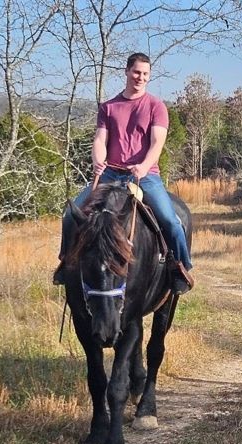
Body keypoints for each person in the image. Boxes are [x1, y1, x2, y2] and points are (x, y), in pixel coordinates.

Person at [53, 52, 193, 295]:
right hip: (110, 175)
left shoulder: (156, 107)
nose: (141, 77)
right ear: (127, 72)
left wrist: (144, 164)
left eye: (145, 74)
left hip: (144, 175)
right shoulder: (109, 107)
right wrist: (98, 160)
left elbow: (157, 143)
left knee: (171, 221)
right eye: (137, 72)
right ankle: (66, 263)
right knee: (69, 215)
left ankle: (179, 268)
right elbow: (100, 139)